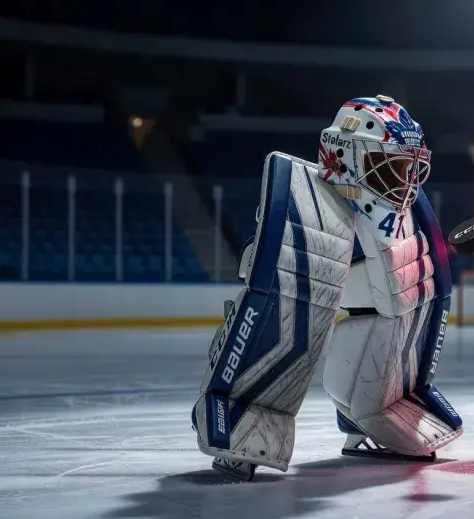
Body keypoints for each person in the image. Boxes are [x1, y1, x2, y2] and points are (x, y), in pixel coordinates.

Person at [191, 95, 460, 481]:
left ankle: (371, 411)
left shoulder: (405, 213)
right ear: (346, 155)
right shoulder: (307, 197)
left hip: (370, 333)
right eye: (391, 166)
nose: (404, 182)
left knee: (409, 291)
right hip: (305, 267)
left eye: (409, 167)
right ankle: (239, 405)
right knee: (292, 287)